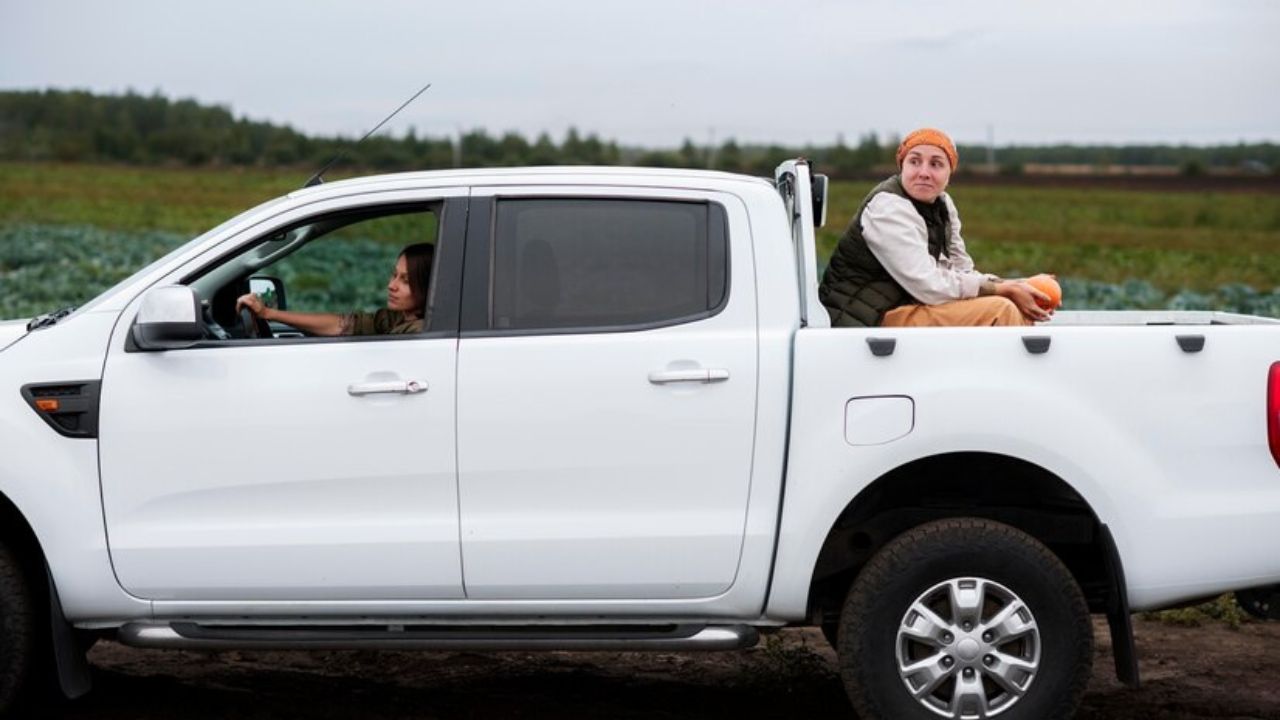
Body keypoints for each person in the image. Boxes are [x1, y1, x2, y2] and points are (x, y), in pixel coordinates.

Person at [819, 128, 1052, 327]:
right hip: (866, 321)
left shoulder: (942, 204)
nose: (924, 173)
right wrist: (1001, 289)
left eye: (936, 164)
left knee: (1012, 303)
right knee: (1001, 311)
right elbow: (927, 285)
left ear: (949, 173)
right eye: (915, 161)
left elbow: (962, 270)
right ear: (902, 166)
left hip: (904, 305)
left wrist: (1014, 285)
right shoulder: (887, 208)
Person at [236, 243, 434, 336]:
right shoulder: (399, 318)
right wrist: (268, 313)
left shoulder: (418, 331)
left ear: (427, 286)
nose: (392, 285)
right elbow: (342, 325)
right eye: (394, 275)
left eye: (406, 281)